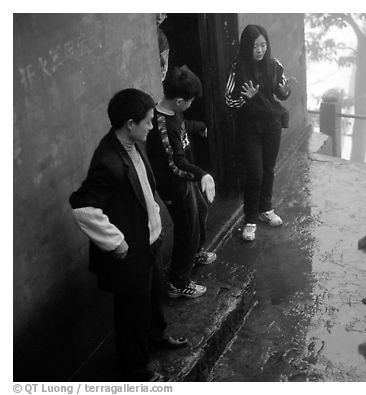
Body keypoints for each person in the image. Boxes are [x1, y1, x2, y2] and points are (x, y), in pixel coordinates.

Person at [69, 88, 188, 382]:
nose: (152, 125)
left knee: (154, 297)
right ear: (130, 124)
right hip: (131, 250)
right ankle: (135, 369)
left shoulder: (132, 145)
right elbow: (82, 207)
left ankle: (156, 337)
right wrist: (116, 242)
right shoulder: (108, 160)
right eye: (148, 121)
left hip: (150, 240)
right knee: (130, 314)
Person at [146, 65, 216, 299]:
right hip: (175, 186)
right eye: (190, 101)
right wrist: (202, 174)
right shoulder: (162, 126)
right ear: (178, 101)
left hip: (186, 181)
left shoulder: (174, 112)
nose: (190, 105)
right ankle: (178, 282)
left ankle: (194, 254)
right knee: (188, 230)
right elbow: (175, 164)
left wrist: (199, 127)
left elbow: (183, 126)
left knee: (201, 213)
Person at [225, 24, 294, 241]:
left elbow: (282, 92)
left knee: (268, 169)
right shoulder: (237, 69)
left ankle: (266, 209)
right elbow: (228, 100)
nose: (260, 50)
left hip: (271, 123)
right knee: (254, 172)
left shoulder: (274, 65)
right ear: (247, 46)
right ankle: (250, 219)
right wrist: (247, 97)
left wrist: (285, 90)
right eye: (255, 46)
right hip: (249, 125)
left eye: (263, 45)